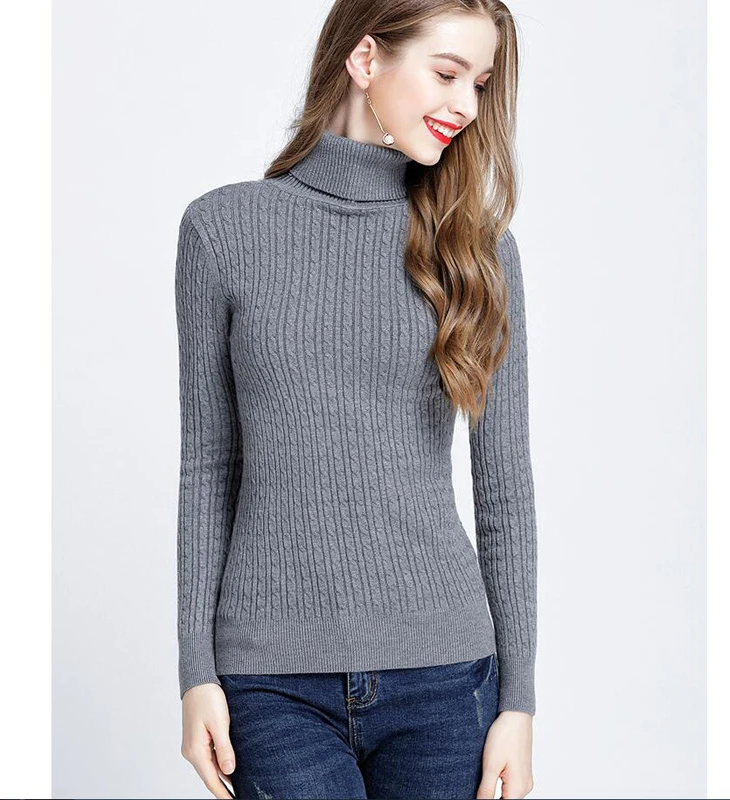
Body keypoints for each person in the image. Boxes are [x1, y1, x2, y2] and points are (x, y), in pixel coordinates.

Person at [174, 1, 538, 798]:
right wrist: (196, 671)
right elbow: (209, 466)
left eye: (480, 84)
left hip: (448, 680)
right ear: (366, 59)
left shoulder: (478, 251)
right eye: (447, 74)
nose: (466, 106)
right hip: (271, 684)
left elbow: (505, 489)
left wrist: (518, 703)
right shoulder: (222, 231)